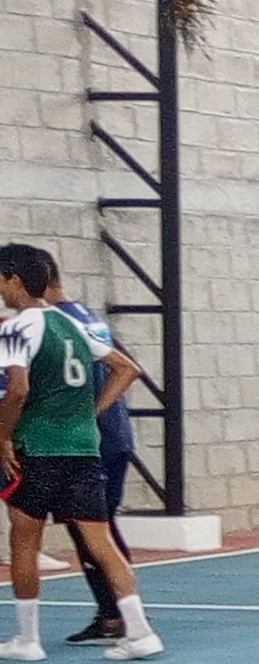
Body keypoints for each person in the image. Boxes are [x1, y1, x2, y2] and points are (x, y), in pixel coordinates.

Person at [0, 242, 159, 660]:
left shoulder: (16, 328)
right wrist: (91, 412)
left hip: (39, 447)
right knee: (101, 541)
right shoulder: (73, 323)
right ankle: (140, 632)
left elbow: (18, 389)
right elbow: (127, 369)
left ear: (14, 279)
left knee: (23, 538)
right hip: (83, 448)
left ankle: (28, 639)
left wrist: (3, 436)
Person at [41, 262, 139, 642]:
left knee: (91, 530)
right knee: (99, 528)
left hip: (92, 441)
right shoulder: (87, 315)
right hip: (113, 436)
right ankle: (118, 611)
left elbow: (123, 370)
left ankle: (117, 614)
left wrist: (89, 414)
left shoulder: (60, 323)